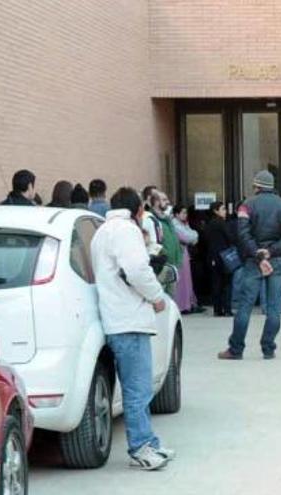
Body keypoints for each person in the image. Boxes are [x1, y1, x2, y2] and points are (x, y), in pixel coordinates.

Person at [89, 187, 173, 470]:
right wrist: (157, 297)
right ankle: (141, 447)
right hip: (129, 319)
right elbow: (137, 270)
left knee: (136, 387)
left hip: (116, 318)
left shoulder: (102, 231)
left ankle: (149, 441)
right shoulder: (126, 231)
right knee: (138, 389)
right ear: (138, 211)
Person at [218, 170, 281, 360]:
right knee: (274, 307)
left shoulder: (247, 205)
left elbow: (243, 234)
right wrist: (271, 252)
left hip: (253, 261)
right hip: (277, 259)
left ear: (257, 186)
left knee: (245, 305)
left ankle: (236, 349)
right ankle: (268, 348)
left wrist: (258, 254)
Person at [172, 205, 204, 314]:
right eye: (183, 213)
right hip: (180, 254)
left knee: (187, 280)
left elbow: (194, 235)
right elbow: (188, 237)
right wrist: (193, 236)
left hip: (185, 253)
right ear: (176, 214)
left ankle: (188, 304)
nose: (185, 215)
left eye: (186, 213)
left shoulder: (183, 224)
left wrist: (193, 236)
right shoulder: (175, 225)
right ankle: (182, 305)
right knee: (182, 281)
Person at [205, 201, 235, 317]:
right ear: (216, 211)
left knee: (216, 283)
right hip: (223, 256)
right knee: (226, 284)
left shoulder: (210, 223)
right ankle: (227, 309)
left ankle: (217, 309)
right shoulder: (221, 223)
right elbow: (230, 237)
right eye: (223, 209)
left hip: (213, 257)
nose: (225, 211)